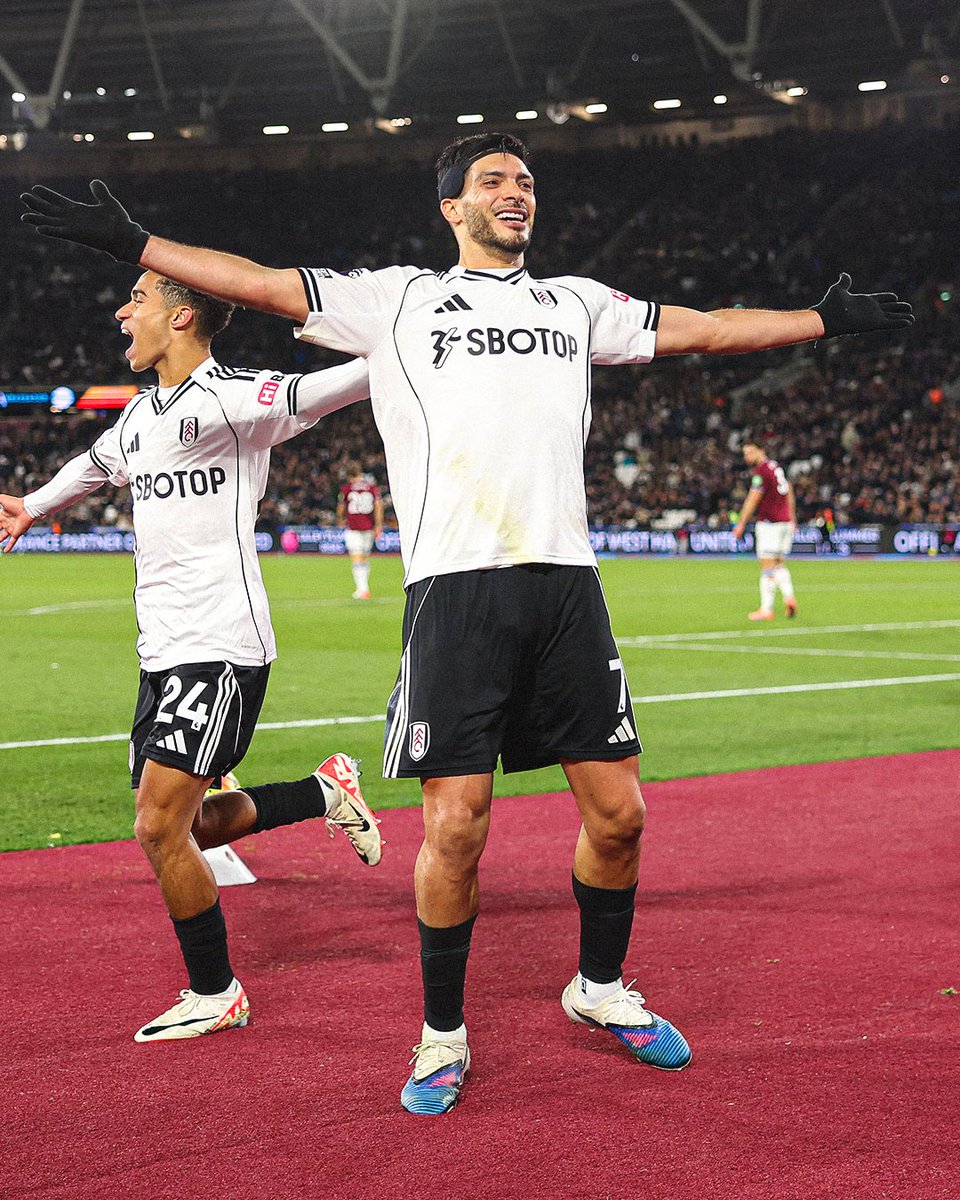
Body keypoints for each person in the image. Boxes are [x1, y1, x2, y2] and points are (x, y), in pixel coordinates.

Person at [20, 137, 914, 1110]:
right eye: (493, 180)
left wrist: (821, 320)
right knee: (455, 826)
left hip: (568, 587)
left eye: (525, 180)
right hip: (455, 592)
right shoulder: (397, 299)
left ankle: (601, 988)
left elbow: (701, 330)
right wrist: (139, 246)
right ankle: (442, 1035)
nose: (514, 192)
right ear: (451, 206)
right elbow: (263, 284)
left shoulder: (576, 303)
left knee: (621, 816)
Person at [0, 270, 383, 1043]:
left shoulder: (235, 399)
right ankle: (323, 792)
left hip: (220, 646)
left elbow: (333, 389)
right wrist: (31, 507)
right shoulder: (143, 415)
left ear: (180, 317)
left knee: (156, 827)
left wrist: (406, 341)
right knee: (190, 828)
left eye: (135, 298)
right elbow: (98, 465)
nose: (120, 309)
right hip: (163, 651)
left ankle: (217, 992)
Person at [733, 441, 798, 620]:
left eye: (750, 452)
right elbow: (789, 490)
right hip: (785, 523)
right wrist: (792, 516)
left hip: (770, 524)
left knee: (767, 567)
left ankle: (766, 609)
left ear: (761, 450)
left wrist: (741, 523)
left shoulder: (760, 472)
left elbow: (753, 499)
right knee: (779, 564)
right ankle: (789, 597)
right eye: (745, 454)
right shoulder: (776, 467)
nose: (747, 457)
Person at [337, 460, 383, 599]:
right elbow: (378, 506)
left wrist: (340, 518)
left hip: (354, 527)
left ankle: (362, 589)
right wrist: (378, 526)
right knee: (364, 558)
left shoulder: (347, 488)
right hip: (369, 527)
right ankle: (364, 588)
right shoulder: (371, 488)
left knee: (357, 558)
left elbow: (341, 507)